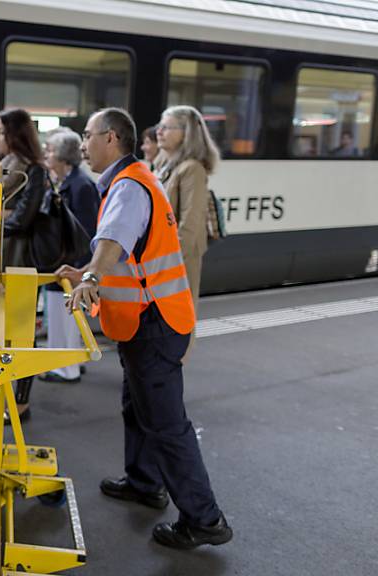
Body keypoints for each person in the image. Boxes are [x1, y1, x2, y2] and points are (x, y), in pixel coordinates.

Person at [59, 107, 231, 550]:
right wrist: (88, 272)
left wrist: (92, 275)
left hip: (155, 322)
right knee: (137, 407)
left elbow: (113, 241)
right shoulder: (131, 179)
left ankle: (204, 518)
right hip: (147, 320)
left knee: (166, 423)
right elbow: (127, 256)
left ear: (112, 138)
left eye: (88, 134)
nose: (83, 144)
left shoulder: (130, 186)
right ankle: (144, 481)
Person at [0, 108, 47, 422]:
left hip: (21, 262)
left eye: (0, 133)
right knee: (0, 332)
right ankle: (0, 395)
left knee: (22, 333)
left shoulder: (33, 170)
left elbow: (21, 220)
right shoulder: (2, 166)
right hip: (2, 260)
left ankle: (21, 404)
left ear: (16, 135)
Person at [39, 128, 98, 384]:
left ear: (63, 157)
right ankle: (70, 360)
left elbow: (85, 232)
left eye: (50, 150)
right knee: (65, 313)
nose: (46, 154)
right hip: (63, 258)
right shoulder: (69, 181)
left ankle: (65, 368)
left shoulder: (80, 186)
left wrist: (76, 267)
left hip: (68, 261)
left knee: (64, 312)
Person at [154, 105, 220, 309]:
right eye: (160, 126)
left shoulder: (192, 169)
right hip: (161, 254)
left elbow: (190, 221)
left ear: (186, 134)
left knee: (178, 313)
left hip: (178, 257)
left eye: (167, 127)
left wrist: (171, 261)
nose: (159, 131)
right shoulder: (164, 165)